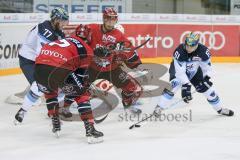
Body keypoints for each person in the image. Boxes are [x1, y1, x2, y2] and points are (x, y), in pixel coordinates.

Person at [33, 30, 103, 143]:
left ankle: (55, 122)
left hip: (39, 70)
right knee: (82, 94)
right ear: (89, 40)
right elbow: (82, 74)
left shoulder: (62, 40)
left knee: (50, 93)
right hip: (59, 69)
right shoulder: (86, 47)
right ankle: (90, 130)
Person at [73, 8, 144, 114]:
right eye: (109, 18)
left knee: (134, 88)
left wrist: (137, 65)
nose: (111, 21)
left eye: (114, 19)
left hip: (111, 69)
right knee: (77, 84)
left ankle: (128, 105)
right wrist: (92, 52)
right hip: (92, 68)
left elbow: (130, 51)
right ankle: (73, 103)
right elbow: (77, 42)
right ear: (104, 19)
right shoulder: (91, 28)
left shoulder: (119, 35)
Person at [154, 32, 234, 116]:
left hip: (194, 71)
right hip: (177, 71)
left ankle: (220, 109)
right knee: (173, 85)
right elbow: (180, 72)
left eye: (191, 46)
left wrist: (206, 79)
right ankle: (159, 107)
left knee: (208, 90)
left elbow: (207, 68)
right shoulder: (179, 51)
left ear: (197, 44)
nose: (188, 48)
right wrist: (186, 86)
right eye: (187, 45)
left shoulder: (204, 51)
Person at [14, 7, 72, 122]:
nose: (64, 24)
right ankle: (22, 111)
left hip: (39, 61)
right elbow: (43, 55)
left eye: (66, 20)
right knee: (40, 86)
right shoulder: (45, 30)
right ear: (55, 20)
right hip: (28, 61)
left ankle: (56, 111)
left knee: (60, 86)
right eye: (63, 20)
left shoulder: (58, 32)